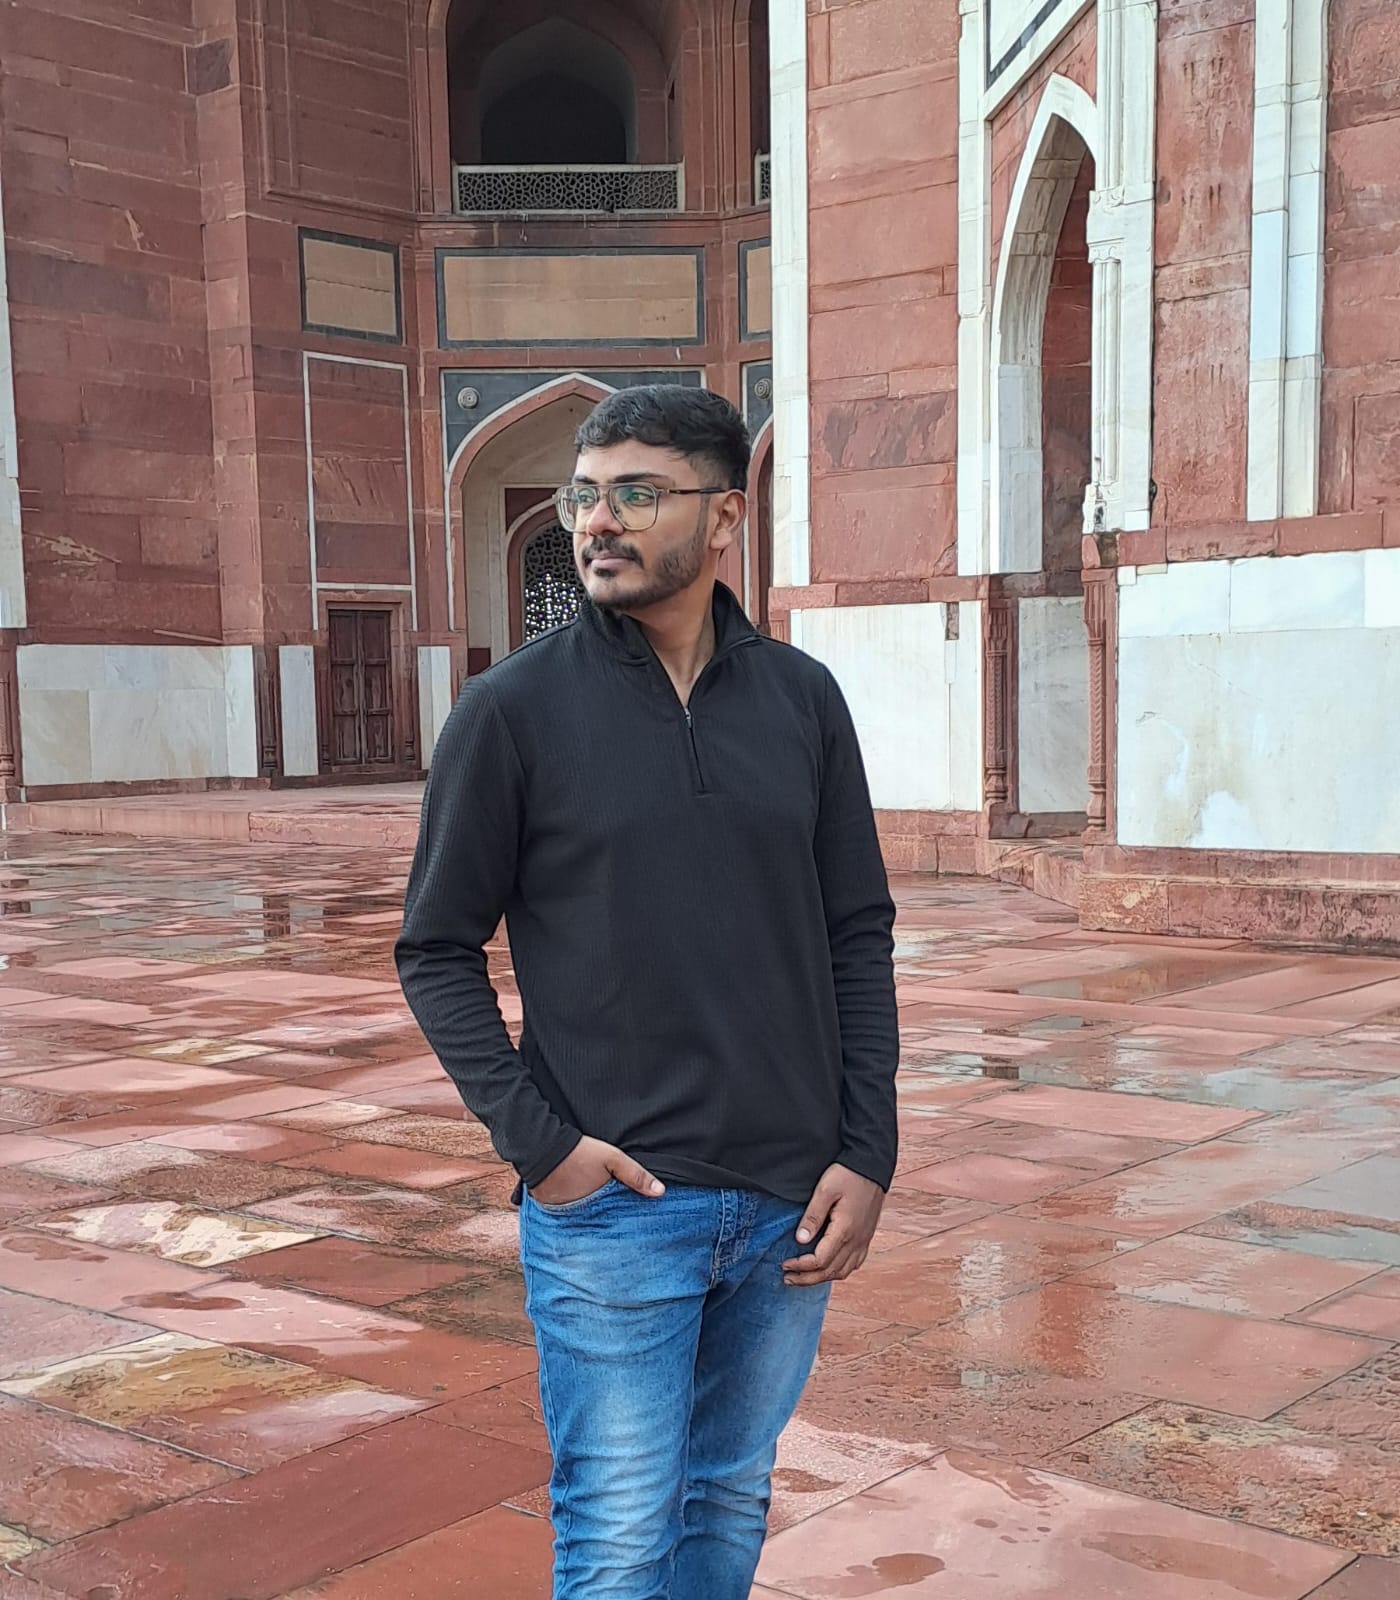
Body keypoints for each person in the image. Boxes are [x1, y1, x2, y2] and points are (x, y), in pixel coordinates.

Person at [396, 384, 898, 1600]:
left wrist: (866, 1147)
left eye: (634, 493)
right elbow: (434, 947)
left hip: (786, 1201)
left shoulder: (800, 700)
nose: (597, 521)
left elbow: (855, 930)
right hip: (615, 1203)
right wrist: (543, 1146)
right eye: (582, 494)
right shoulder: (510, 712)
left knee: (725, 1494)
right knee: (621, 1529)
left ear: (723, 516)